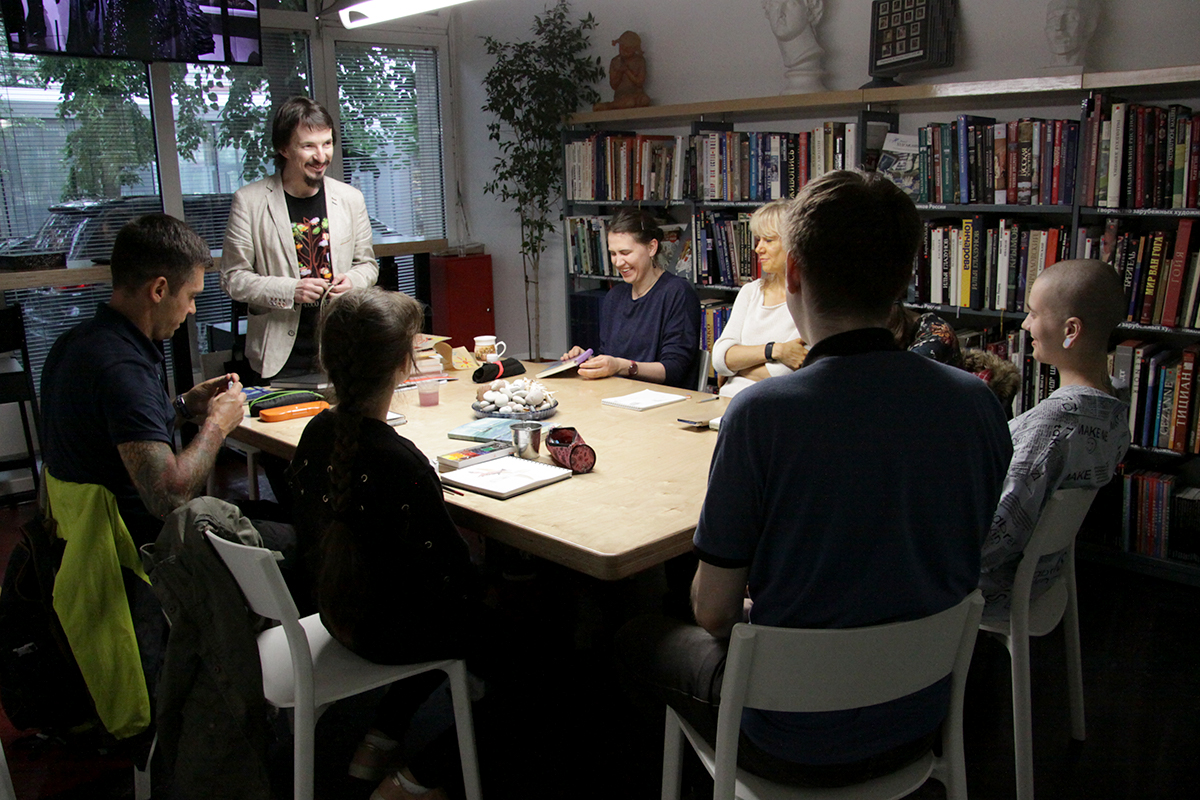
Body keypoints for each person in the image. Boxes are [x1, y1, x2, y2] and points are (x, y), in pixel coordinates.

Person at [616, 170, 1012, 786]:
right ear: (904, 278)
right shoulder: (978, 404)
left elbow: (714, 614)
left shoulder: (762, 415)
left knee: (633, 635)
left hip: (789, 736)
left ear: (794, 273)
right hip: (921, 713)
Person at [290, 287, 486, 800]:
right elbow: (454, 582)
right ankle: (415, 781)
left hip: (340, 613)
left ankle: (380, 737)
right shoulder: (399, 462)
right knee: (539, 651)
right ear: (404, 364)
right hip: (390, 631)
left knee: (414, 595)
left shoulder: (315, 435)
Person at [41, 213, 247, 546]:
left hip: (80, 540)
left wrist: (183, 406)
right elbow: (168, 497)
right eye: (191, 296)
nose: (193, 310)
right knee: (295, 538)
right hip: (139, 550)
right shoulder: (123, 370)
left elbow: (121, 433)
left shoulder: (75, 343)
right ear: (159, 289)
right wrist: (217, 425)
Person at [980, 259, 1130, 620]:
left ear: (1071, 330)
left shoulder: (1052, 424)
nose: (1025, 324)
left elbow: (992, 541)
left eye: (1033, 313)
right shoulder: (1114, 411)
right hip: (1042, 579)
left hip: (992, 587)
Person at [220, 96, 378, 383]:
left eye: (327, 143)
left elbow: (367, 265)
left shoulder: (351, 198)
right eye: (308, 146)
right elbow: (233, 278)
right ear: (284, 149)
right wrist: (291, 289)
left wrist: (353, 281)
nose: (321, 156)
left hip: (342, 350)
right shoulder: (249, 201)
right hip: (278, 357)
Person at [561, 208, 700, 389]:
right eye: (613, 254)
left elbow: (674, 369)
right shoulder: (614, 297)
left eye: (625, 253)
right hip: (616, 395)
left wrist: (621, 366)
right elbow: (611, 358)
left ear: (652, 248)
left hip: (663, 398)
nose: (618, 262)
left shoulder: (677, 293)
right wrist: (590, 362)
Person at [712, 199, 807, 399]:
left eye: (769, 240)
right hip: (726, 402)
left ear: (794, 244)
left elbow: (785, 374)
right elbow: (719, 358)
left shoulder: (809, 301)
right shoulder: (750, 291)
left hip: (773, 406)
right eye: (758, 240)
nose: (758, 249)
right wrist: (775, 350)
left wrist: (734, 368)